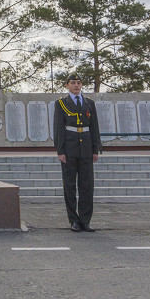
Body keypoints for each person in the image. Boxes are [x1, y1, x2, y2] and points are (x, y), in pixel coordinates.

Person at [53, 73, 102, 232]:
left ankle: (85, 220)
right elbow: (59, 128)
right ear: (66, 85)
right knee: (70, 185)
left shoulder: (89, 103)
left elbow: (94, 127)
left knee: (87, 185)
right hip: (69, 148)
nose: (76, 85)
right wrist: (60, 150)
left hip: (86, 148)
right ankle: (73, 220)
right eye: (72, 83)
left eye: (79, 83)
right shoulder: (61, 103)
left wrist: (95, 149)